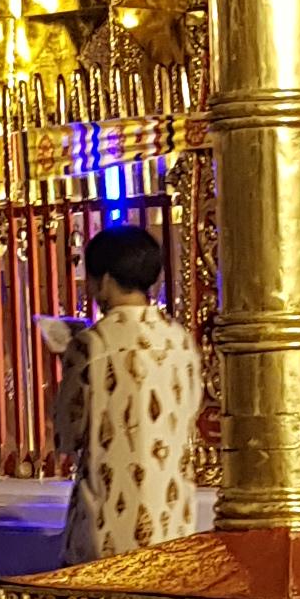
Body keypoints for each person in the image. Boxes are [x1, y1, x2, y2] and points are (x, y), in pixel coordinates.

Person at [47, 222, 205, 563]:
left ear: (103, 280)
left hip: (106, 531)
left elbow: (66, 434)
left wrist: (66, 360)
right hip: (172, 525)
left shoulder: (92, 345)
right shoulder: (180, 340)